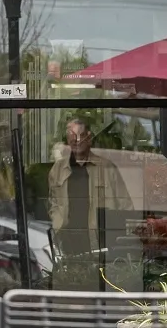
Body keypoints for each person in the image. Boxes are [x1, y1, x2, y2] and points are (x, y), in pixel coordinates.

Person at [47, 118, 131, 290]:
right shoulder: (57, 169)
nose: (77, 141)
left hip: (101, 247)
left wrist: (117, 238)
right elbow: (52, 203)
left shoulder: (107, 168)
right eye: (72, 137)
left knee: (100, 291)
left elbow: (125, 206)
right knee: (72, 293)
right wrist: (58, 226)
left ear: (89, 138)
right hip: (69, 245)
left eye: (81, 136)